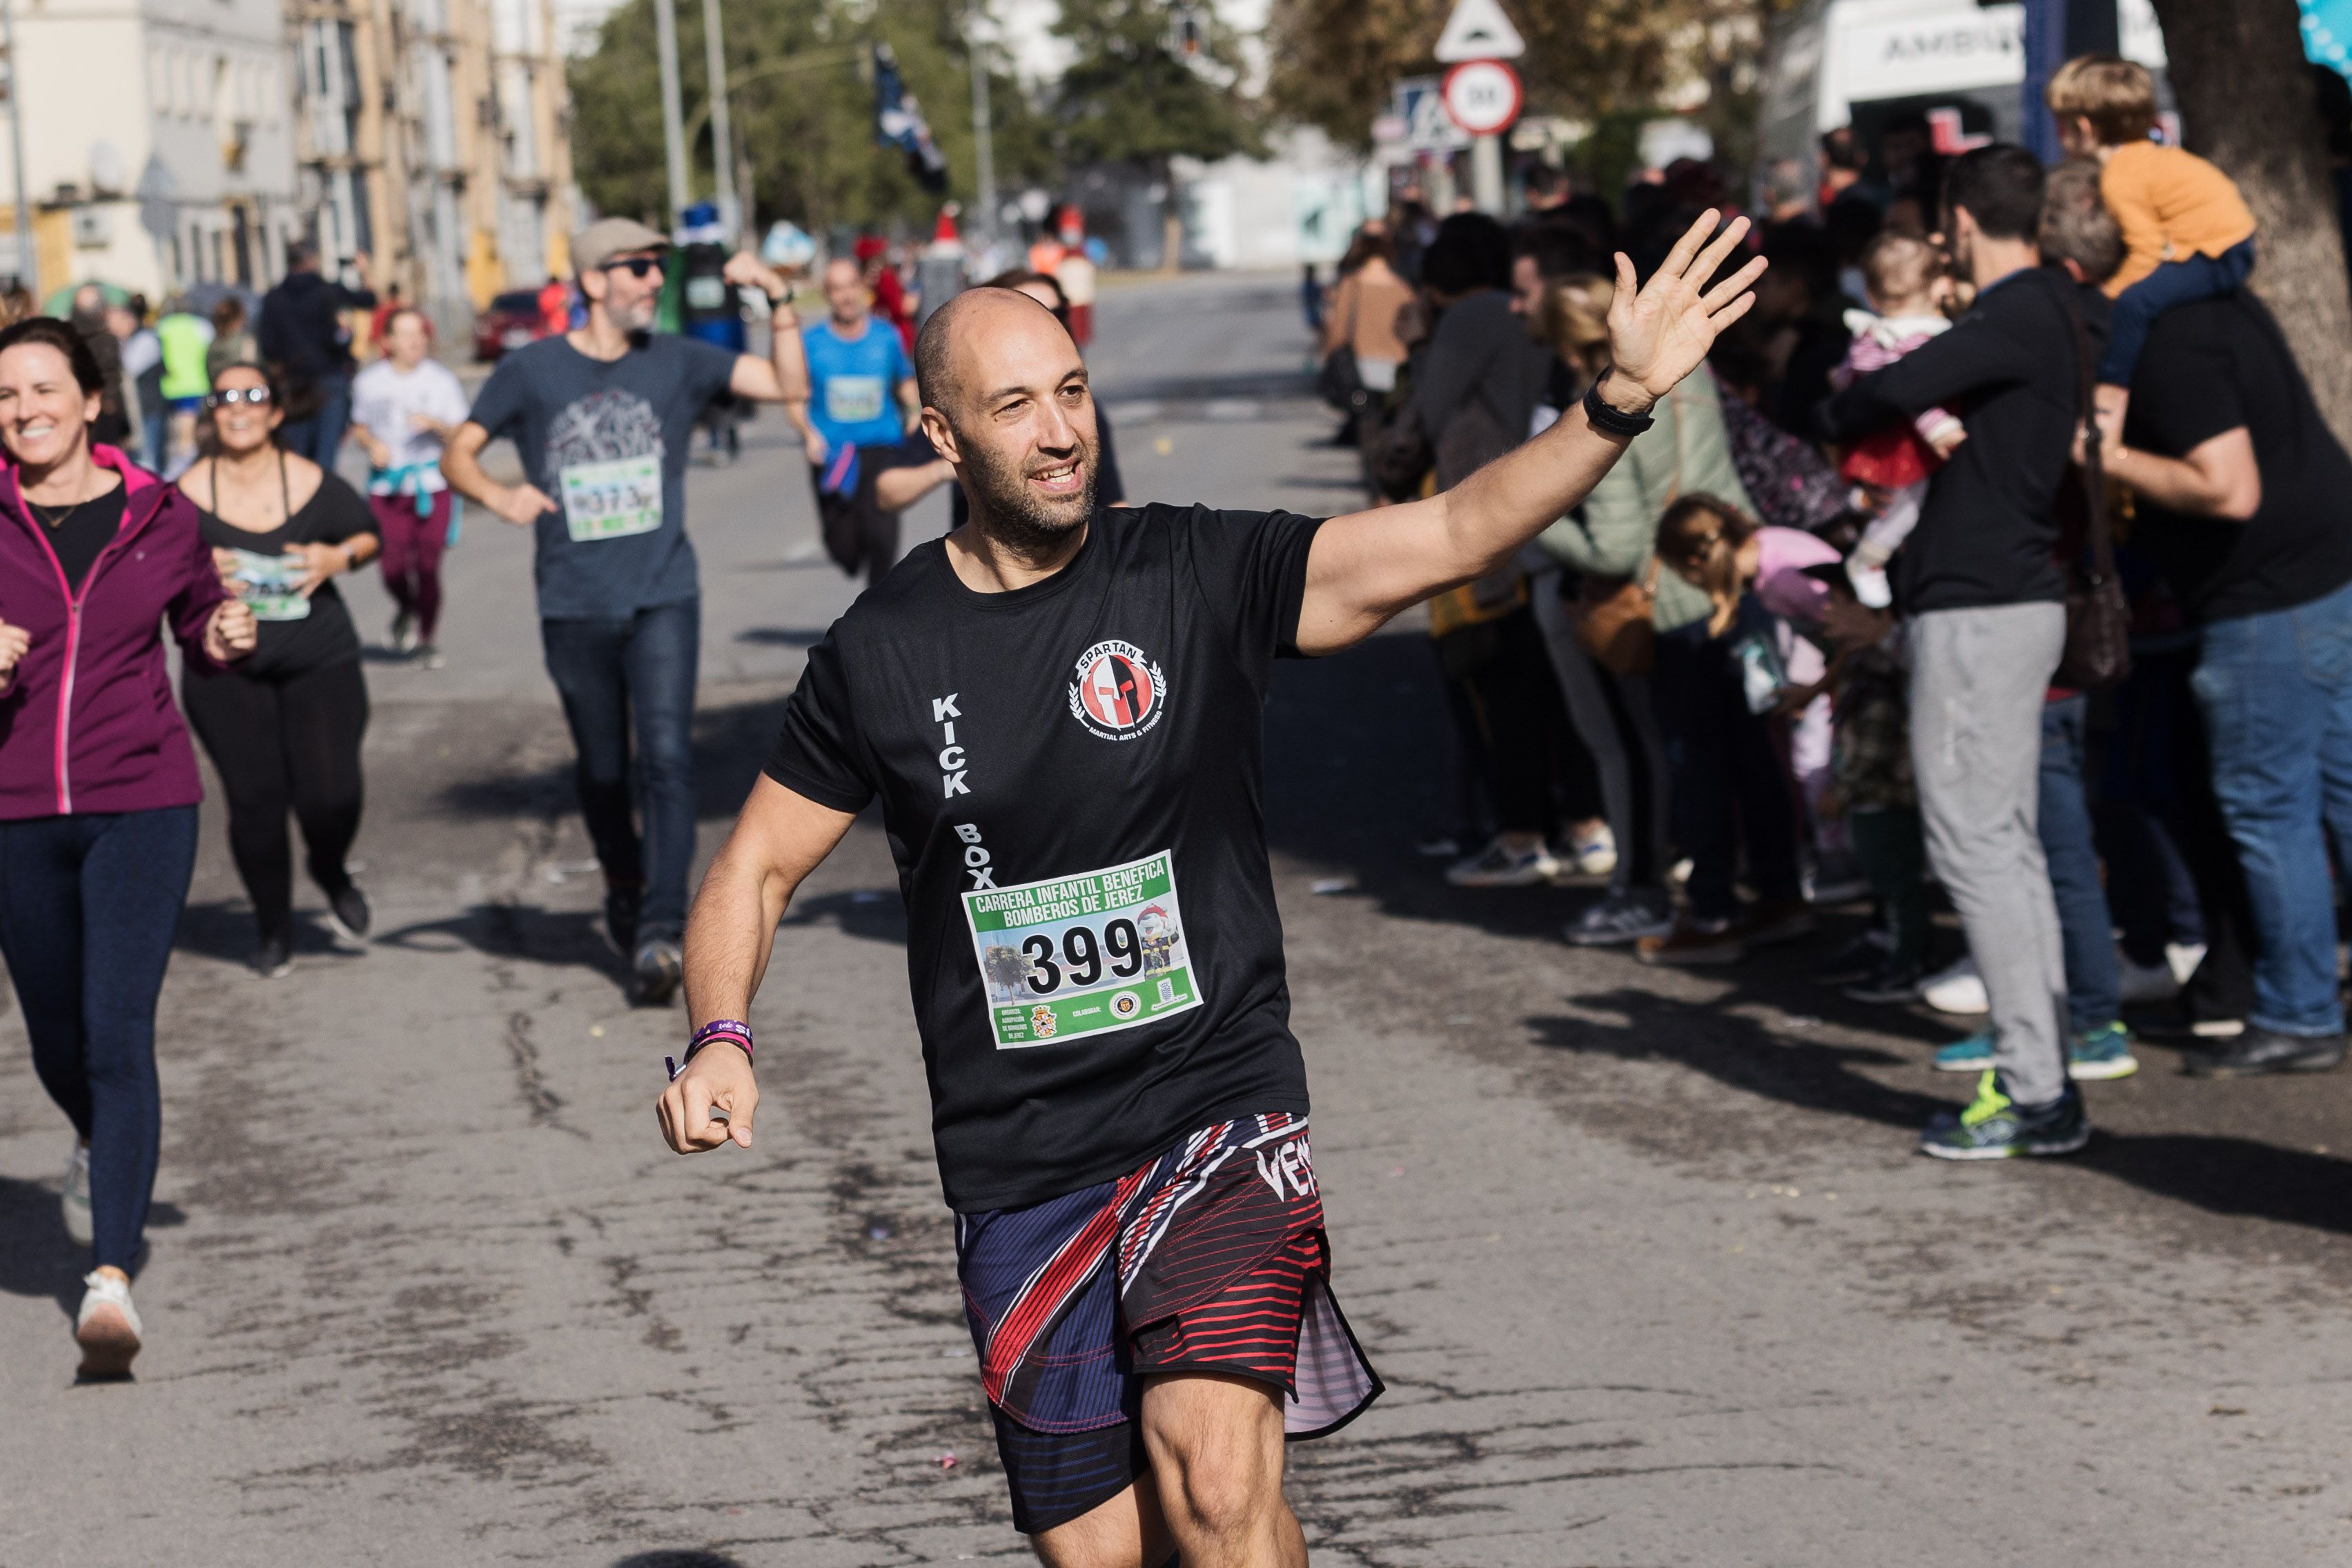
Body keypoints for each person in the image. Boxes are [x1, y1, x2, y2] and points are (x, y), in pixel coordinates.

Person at [656, 210, 1766, 1562]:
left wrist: (1615, 402)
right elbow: (757, 865)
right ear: (942, 439)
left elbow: (1454, 531)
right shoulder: (881, 650)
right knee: (1106, 1550)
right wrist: (721, 1032)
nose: (1062, 429)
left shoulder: (1192, 569)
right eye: (1015, 405)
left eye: (1072, 390)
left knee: (1219, 1485)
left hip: (1213, 1105)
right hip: (1021, 1156)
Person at [439, 217, 813, 1004]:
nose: (653, 280)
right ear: (592, 281)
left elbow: (788, 387)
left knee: (669, 760)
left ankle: (659, 928)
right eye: (637, 267)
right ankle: (621, 877)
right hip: (573, 600)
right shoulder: (531, 371)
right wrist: (499, 493)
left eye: (656, 267)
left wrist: (779, 301)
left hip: (663, 594)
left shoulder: (678, 359)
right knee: (604, 770)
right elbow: (457, 453)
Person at [0, 315, 259, 1376]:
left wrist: (223, 634)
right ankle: (103, 1141)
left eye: (42, 389)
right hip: (14, 809)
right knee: (57, 1038)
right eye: (5, 397)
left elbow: (205, 612)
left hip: (143, 799)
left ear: (93, 400)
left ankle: (109, 1278)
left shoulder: (161, 511)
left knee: (116, 1030)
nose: (24, 411)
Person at [1820, 144, 2089, 1159]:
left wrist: (1844, 404)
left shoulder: (2011, 314)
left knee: (1977, 847)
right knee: (2004, 848)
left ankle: (2033, 1089)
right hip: (2007, 598)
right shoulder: (2050, 306)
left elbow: (1871, 397)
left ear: (1961, 224)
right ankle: (2043, 1071)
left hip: (1983, 605)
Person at [2092, 206, 2352, 1078]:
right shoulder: (2217, 301)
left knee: (2269, 810)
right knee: (2339, 796)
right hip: (2324, 574)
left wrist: (2102, 454)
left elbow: (2226, 487)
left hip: (2267, 600)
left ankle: (2302, 1013)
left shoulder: (2167, 342)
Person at [176, 362, 382, 976]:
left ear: (273, 412)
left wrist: (336, 556)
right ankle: (274, 928)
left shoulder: (313, 482)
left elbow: (368, 535)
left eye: (253, 396)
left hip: (319, 654)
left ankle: (329, 865)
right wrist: (197, 569)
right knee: (256, 802)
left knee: (331, 794)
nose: (238, 408)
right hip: (226, 668)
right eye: (225, 398)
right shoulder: (181, 496)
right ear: (213, 413)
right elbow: (150, 572)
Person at [2046, 53, 2257, 418]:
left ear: (2081, 128)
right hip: (2231, 241)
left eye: (2060, 126)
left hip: (2217, 252)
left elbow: (2146, 250)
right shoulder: (2146, 155)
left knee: (2134, 304)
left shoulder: (2120, 176)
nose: (2059, 135)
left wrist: (2111, 293)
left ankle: (2110, 392)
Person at [1831, 233, 1966, 608]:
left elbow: (1848, 376)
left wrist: (1840, 382)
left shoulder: (1870, 334)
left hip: (1879, 437)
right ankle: (1868, 561)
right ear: (1935, 287)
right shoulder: (1913, 339)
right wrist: (1937, 426)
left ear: (1872, 297)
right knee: (1906, 506)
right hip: (1904, 442)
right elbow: (1910, 393)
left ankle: (1857, 502)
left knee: (1889, 499)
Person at [790, 255, 937, 585]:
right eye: (836, 289)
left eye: (850, 286)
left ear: (861, 289)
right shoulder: (811, 342)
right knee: (843, 547)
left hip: (881, 446)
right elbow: (794, 399)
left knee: (882, 536)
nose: (845, 295)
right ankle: (847, 554)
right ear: (827, 294)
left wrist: (914, 413)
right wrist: (807, 433)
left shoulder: (885, 337)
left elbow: (903, 382)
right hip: (832, 453)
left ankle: (876, 613)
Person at [347, 306, 469, 665]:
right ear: (387, 341)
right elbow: (360, 427)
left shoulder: (441, 380)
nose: (415, 341)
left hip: (432, 485)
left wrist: (438, 427)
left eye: (420, 333)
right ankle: (406, 607)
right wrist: (372, 446)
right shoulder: (369, 382)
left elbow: (462, 432)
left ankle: (428, 638)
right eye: (405, 334)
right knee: (392, 567)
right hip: (388, 487)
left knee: (429, 566)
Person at [257, 240, 377, 466]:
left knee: (295, 458)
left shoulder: (274, 298)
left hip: (293, 386)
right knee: (325, 459)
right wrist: (364, 272)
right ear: (312, 260)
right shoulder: (327, 291)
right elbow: (368, 301)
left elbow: (268, 346)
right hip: (329, 380)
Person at [1322, 225, 1415, 500]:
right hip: (1398, 371)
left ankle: (1379, 496)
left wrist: (1330, 357)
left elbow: (1337, 332)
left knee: (1370, 436)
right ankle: (1395, 492)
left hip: (1363, 369)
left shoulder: (1352, 285)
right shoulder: (1401, 287)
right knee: (1396, 435)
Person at [154, 296, 216, 478]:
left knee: (179, 423)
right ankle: (187, 458)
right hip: (196, 380)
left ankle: (183, 457)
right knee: (190, 421)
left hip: (171, 382)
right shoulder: (201, 326)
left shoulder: (163, 327)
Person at [206, 293, 259, 384]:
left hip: (219, 393)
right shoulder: (246, 342)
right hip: (242, 392)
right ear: (238, 318)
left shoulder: (212, 345)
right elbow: (253, 371)